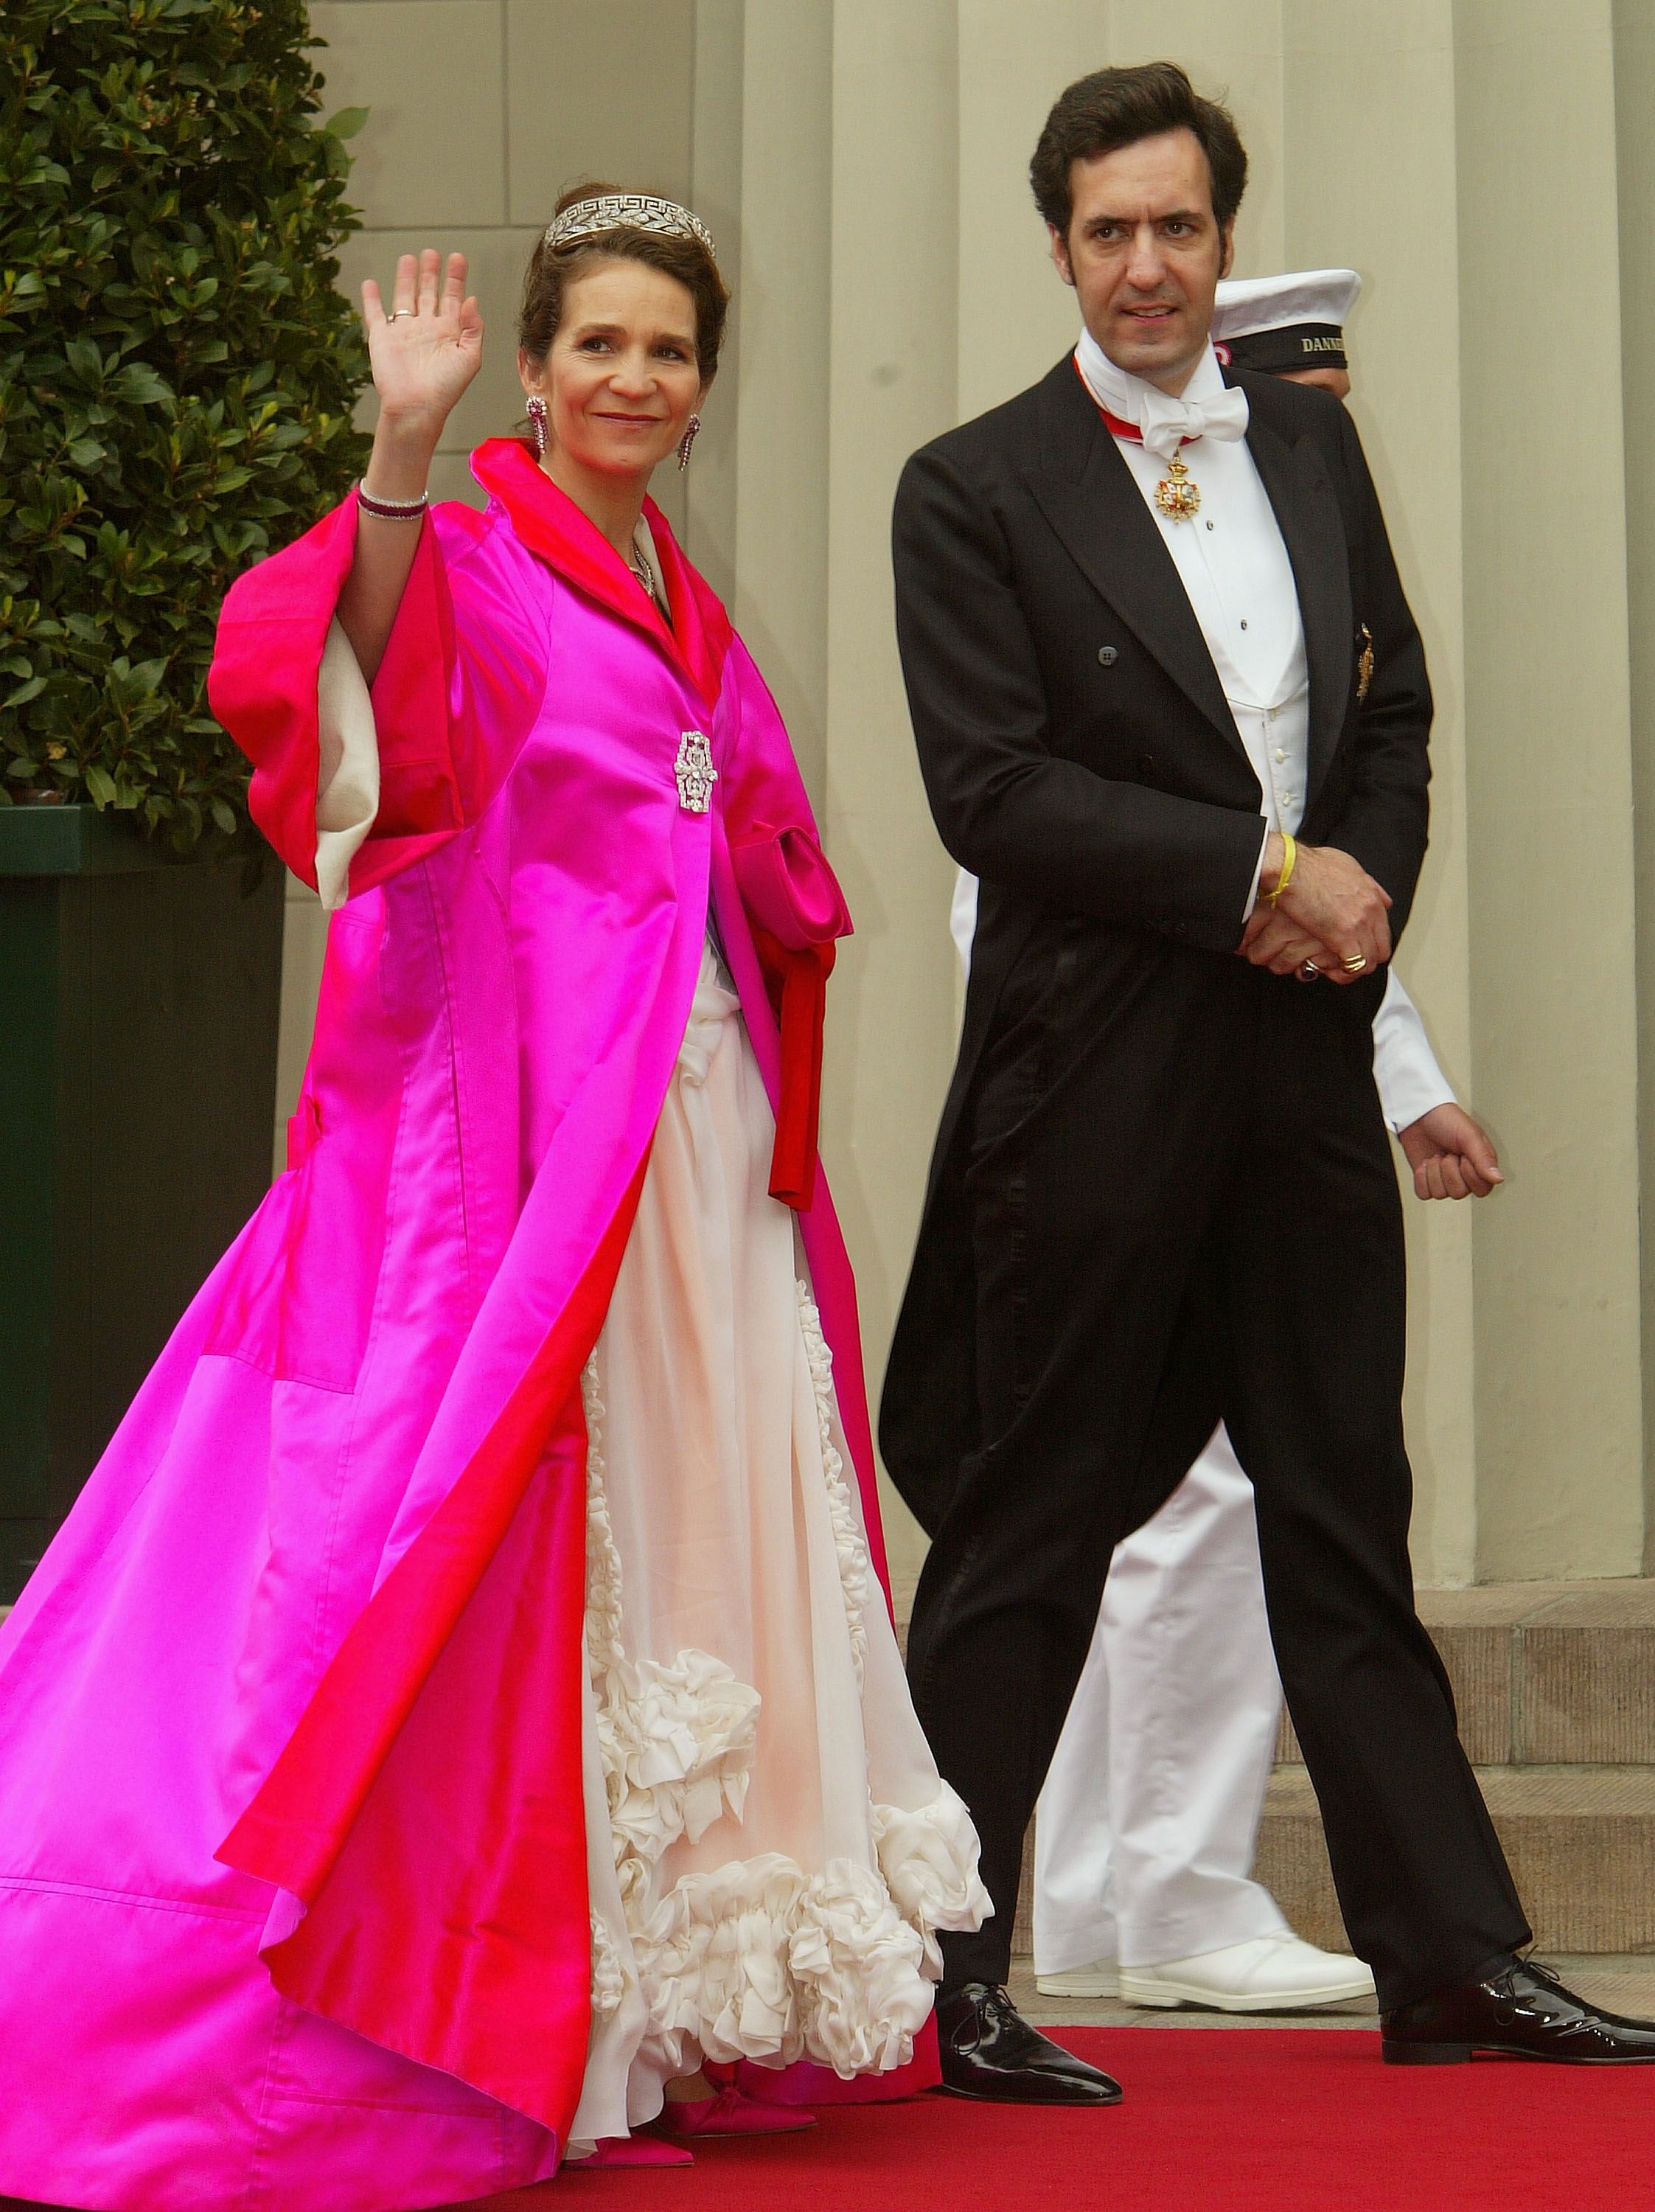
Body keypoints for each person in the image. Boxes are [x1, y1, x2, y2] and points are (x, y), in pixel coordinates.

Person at [0, 188, 986, 2210]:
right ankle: (551, 2012)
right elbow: (335, 691)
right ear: (531, 365)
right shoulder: (468, 551)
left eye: (669, 351)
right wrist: (393, 453)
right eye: (598, 345)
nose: (634, 378)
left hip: (699, 1137)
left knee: (706, 1526)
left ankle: (683, 1989)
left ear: (702, 387)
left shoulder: (676, 592)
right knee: (567, 1532)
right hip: (548, 1152)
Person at [881, 61, 1655, 2101]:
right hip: (1092, 1070)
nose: (1146, 266)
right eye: (1107, 230)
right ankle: (931, 1972)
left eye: (1178, 227)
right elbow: (991, 792)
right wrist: (1260, 878)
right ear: (1054, 244)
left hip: (1296, 1057)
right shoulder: (966, 487)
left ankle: (1452, 1961)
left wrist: (1366, 887)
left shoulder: (1307, 455)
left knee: (1337, 1509)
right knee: (1031, 1521)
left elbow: (1391, 704)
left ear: (1222, 239)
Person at [1022, 271, 1501, 2015]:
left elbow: (1341, 875)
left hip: (1273, 1075)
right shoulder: (1094, 559)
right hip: (1124, 1083)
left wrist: (1397, 1068)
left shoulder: (1305, 555)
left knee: (1230, 1509)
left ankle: (1137, 1889)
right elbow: (1080, 856)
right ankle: (1143, 1891)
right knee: (1150, 1512)